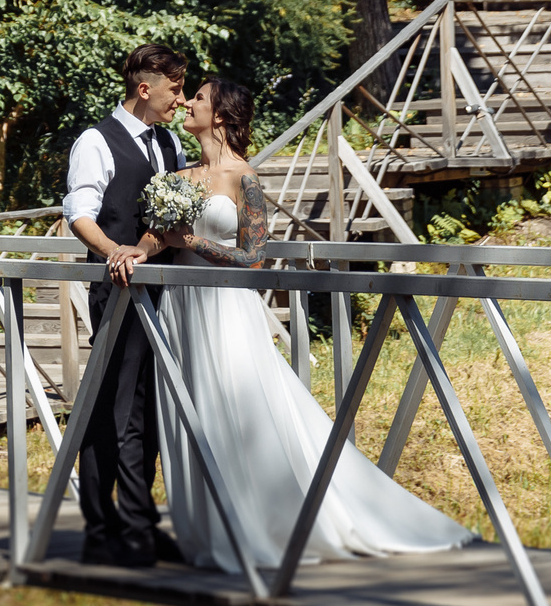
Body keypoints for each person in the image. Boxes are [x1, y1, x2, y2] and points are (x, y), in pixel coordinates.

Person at [149, 77, 475, 574]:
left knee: (239, 409)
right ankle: (208, 532)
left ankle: (263, 526)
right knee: (189, 411)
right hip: (180, 307)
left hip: (225, 310)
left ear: (219, 115)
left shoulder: (245, 178)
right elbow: (159, 237)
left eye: (197, 97)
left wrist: (191, 241)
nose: (187, 102)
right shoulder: (179, 175)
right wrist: (144, 246)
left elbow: (255, 259)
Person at [61, 43, 191, 566]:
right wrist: (115, 250)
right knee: (118, 411)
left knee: (149, 407)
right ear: (146, 88)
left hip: (165, 291)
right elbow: (79, 211)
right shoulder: (95, 141)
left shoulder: (170, 143)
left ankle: (130, 520)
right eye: (175, 89)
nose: (180, 99)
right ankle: (115, 527)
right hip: (117, 293)